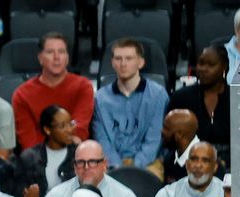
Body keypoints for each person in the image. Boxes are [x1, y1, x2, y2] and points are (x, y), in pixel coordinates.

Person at [92, 38, 168, 170]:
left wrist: (134, 168)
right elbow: (102, 139)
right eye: (118, 58)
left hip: (149, 163)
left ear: (140, 62)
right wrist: (117, 167)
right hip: (110, 164)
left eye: (129, 58)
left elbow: (154, 140)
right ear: (112, 63)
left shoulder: (158, 95)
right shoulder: (101, 98)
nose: (123, 64)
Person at [12, 33, 94, 150]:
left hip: (73, 153)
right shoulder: (22, 94)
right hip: (38, 158)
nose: (57, 57)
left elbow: (79, 129)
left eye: (61, 52)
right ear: (40, 58)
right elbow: (28, 141)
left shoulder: (83, 86)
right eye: (50, 52)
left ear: (67, 57)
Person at [166, 46, 231, 165]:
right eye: (201, 63)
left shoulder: (236, 98)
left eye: (211, 65)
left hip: (231, 167)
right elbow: (169, 141)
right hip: (189, 164)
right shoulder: (181, 97)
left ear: (224, 66)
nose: (204, 69)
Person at [147, 140, 221, 197]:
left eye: (205, 160)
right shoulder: (166, 196)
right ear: (187, 165)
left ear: (215, 167)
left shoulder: (225, 195)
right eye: (194, 159)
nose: (198, 165)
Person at [12, 105, 75, 197]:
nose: (69, 130)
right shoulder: (29, 158)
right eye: (62, 126)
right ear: (47, 129)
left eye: (71, 124)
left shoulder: (80, 155)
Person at [148, 108, 201, 184]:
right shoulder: (170, 158)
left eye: (166, 128)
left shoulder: (205, 163)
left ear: (179, 135)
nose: (162, 131)